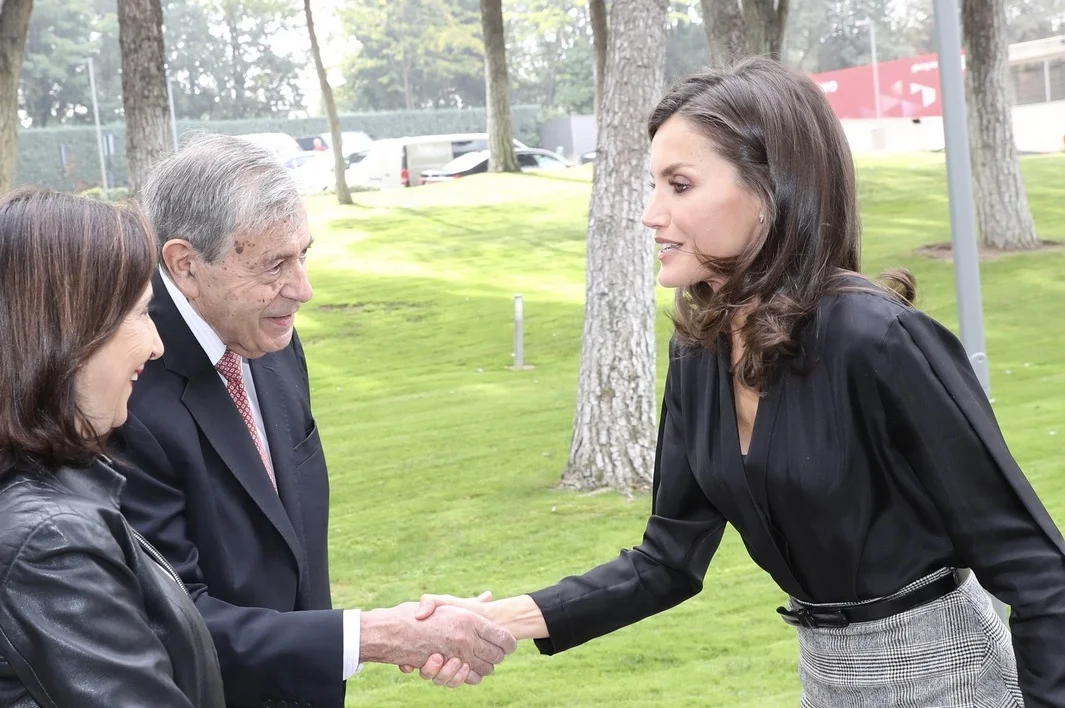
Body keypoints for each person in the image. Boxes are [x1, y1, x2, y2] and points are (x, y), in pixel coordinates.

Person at [410, 57, 1065, 706]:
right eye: (653, 184)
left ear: (768, 189)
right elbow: (666, 560)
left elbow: (1038, 572)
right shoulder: (699, 354)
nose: (649, 214)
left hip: (947, 679)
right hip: (825, 681)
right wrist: (495, 620)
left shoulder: (876, 340)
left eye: (679, 184)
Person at [111, 133, 516, 708]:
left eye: (304, 254)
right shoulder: (125, 387)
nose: (302, 289)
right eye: (276, 264)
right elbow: (173, 619)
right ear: (185, 263)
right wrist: (375, 636)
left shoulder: (269, 337)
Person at [0, 188, 225, 707]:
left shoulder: (52, 500)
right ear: (66, 329)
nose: (156, 344)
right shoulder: (48, 544)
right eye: (141, 315)